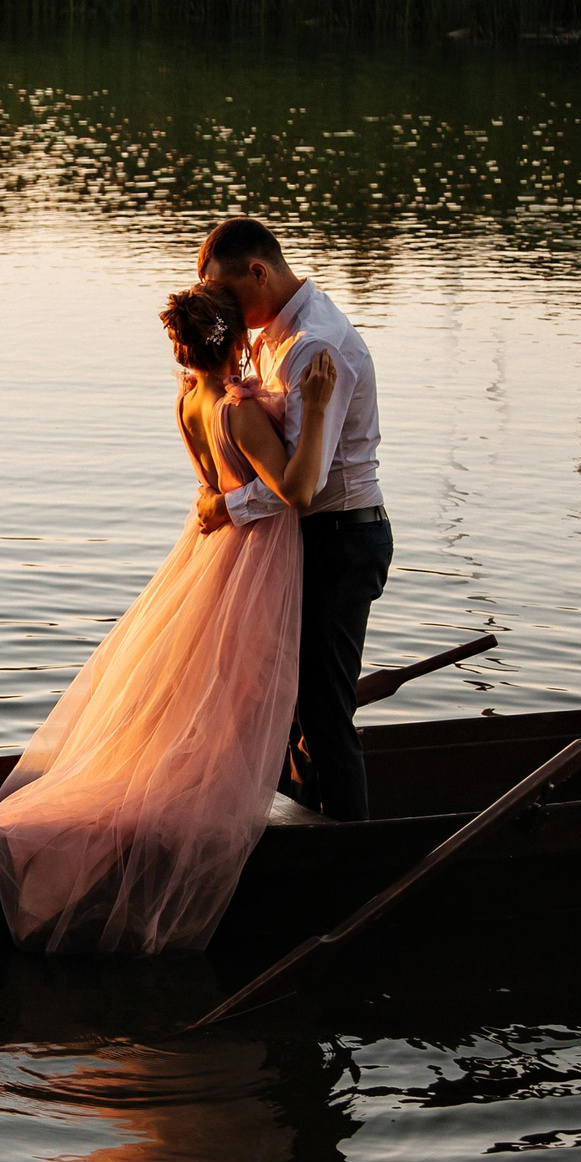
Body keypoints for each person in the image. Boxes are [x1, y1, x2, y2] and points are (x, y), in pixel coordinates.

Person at [0, 287, 340, 954]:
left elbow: (218, 482)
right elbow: (294, 488)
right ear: (235, 342)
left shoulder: (187, 400)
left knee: (193, 686)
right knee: (240, 692)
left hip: (208, 549)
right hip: (253, 561)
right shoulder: (238, 409)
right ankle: (211, 832)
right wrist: (315, 407)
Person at [190, 218, 390, 822]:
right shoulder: (268, 337)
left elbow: (304, 484)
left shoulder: (312, 345)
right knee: (294, 704)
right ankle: (305, 824)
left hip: (342, 537)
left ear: (260, 271)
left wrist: (226, 506)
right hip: (308, 540)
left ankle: (350, 851)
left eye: (229, 294)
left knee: (324, 708)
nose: (224, 309)